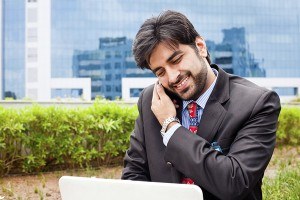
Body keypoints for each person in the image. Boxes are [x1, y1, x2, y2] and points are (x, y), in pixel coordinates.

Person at [121, 10, 281, 200]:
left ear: (200, 47)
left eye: (176, 60)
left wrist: (171, 127)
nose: (172, 77)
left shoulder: (257, 103)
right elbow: (133, 176)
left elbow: (234, 182)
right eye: (160, 72)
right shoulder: (151, 100)